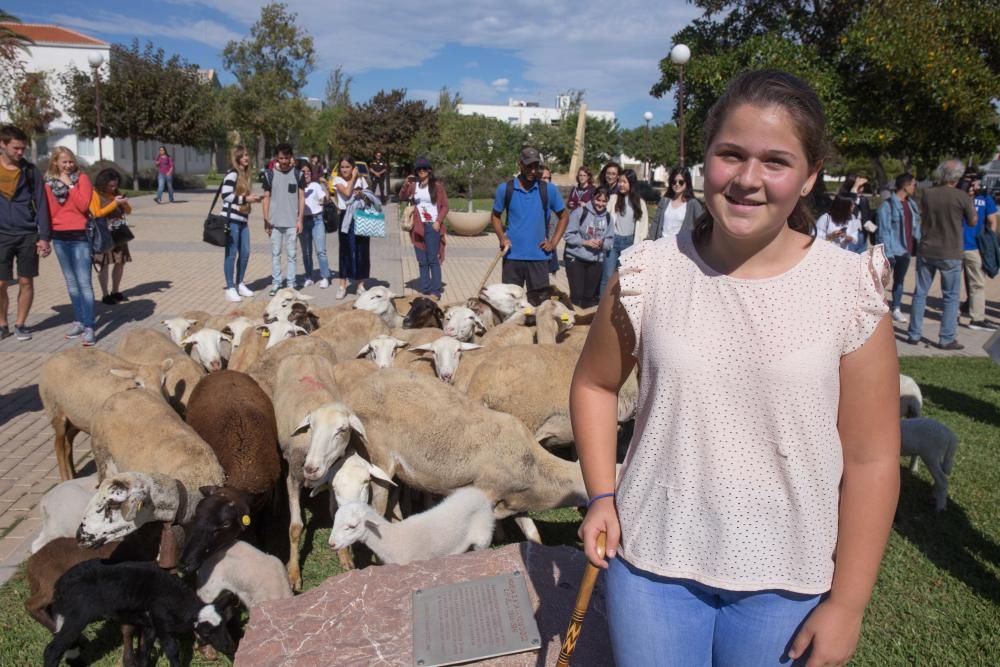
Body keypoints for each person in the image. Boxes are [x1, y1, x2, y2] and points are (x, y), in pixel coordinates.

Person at [572, 69, 899, 666]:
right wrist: (601, 492)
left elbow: (873, 458)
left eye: (776, 161)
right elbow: (594, 384)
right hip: (652, 565)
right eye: (731, 155)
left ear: (809, 178)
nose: (748, 179)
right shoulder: (648, 274)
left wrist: (848, 603)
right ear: (705, 163)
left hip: (787, 579)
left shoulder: (849, 287)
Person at [906, 158, 979, 349]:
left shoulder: (927, 194)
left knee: (920, 293)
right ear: (957, 177)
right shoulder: (961, 197)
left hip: (928, 248)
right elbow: (972, 221)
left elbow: (922, 214)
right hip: (951, 250)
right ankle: (946, 337)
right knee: (951, 296)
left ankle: (914, 333)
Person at [490, 147, 567, 304]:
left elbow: (564, 216)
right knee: (510, 306)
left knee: (540, 307)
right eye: (529, 166)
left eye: (536, 166)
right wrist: (502, 238)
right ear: (520, 164)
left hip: (538, 258)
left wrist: (553, 243)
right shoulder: (506, 189)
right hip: (512, 257)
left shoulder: (548, 190)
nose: (533, 170)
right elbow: (495, 217)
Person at [0, 124, 50, 342]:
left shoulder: (30, 171)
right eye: (16, 148)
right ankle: (2, 324)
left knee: (25, 281)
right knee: (0, 283)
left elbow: (41, 204)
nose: (20, 153)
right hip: (1, 235)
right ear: (2, 145)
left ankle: (20, 324)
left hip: (27, 234)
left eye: (23, 149)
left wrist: (44, 237)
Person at [45, 147, 97, 345]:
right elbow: (48, 211)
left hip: (80, 236)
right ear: (55, 162)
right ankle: (79, 321)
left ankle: (90, 325)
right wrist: (44, 238)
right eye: (64, 162)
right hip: (59, 237)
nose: (68, 165)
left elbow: (83, 205)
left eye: (70, 162)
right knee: (71, 283)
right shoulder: (48, 182)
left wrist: (70, 185)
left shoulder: (81, 179)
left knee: (84, 283)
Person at [399, 157, 449, 299]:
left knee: (433, 259)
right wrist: (406, 184)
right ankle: (425, 289)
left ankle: (436, 291)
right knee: (422, 260)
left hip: (432, 226)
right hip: (417, 227)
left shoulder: (437, 186)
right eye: (419, 169)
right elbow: (402, 196)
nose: (421, 171)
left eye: (424, 169)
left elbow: (445, 206)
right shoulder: (414, 186)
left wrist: (438, 221)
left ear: (429, 170)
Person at [876, 173, 921, 323]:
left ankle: (896, 308)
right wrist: (887, 254)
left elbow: (915, 228)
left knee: (900, 281)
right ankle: (875, 308)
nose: (915, 187)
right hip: (891, 252)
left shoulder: (911, 204)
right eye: (914, 184)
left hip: (906, 251)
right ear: (905, 186)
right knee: (881, 282)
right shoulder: (887, 206)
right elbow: (883, 231)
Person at [262, 143, 305, 296]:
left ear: (290, 157)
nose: (284, 161)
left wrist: (300, 219)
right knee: (275, 254)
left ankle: (291, 284)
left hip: (292, 222)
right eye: (281, 158)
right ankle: (276, 283)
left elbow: (301, 197)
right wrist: (266, 220)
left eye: (286, 158)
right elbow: (266, 198)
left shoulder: (298, 174)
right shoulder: (269, 174)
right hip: (274, 223)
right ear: (276, 158)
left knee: (292, 254)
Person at [221, 145, 263, 302]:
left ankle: (240, 283)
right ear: (237, 157)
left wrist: (253, 199)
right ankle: (230, 287)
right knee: (231, 254)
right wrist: (246, 199)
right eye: (243, 155)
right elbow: (225, 196)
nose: (246, 157)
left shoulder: (245, 175)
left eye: (247, 155)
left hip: (243, 220)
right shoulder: (232, 173)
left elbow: (242, 196)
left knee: (245, 253)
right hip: (232, 220)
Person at [563, 186, 613, 308]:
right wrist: (585, 242)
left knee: (589, 297)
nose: (600, 204)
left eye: (604, 201)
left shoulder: (608, 217)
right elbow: (567, 235)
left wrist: (602, 244)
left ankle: (585, 325)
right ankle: (571, 320)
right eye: (598, 200)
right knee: (577, 295)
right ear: (592, 198)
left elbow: (610, 240)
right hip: (576, 258)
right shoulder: (580, 212)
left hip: (595, 260)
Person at [600, 168, 649, 295]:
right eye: (620, 181)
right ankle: (601, 309)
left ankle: (619, 309)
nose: (621, 184)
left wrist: (640, 247)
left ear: (631, 184)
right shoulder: (613, 199)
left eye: (624, 182)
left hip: (630, 244)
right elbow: (603, 217)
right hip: (614, 241)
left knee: (625, 280)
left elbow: (643, 228)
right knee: (608, 277)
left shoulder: (640, 202)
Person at [90, 168, 132, 305]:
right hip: (103, 234)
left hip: (118, 232)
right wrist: (114, 203)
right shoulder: (95, 194)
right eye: (111, 185)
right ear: (103, 183)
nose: (114, 188)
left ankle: (115, 290)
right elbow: (96, 213)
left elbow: (129, 211)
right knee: (104, 264)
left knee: (120, 262)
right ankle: (105, 294)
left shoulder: (116, 194)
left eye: (116, 185)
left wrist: (124, 203)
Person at [330, 156, 370, 299]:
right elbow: (346, 193)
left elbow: (368, 197)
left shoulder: (362, 180)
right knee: (345, 250)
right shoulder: (337, 180)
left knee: (362, 250)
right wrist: (354, 178)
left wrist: (362, 195)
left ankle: (360, 284)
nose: (345, 169)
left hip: (360, 215)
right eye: (343, 167)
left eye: (348, 167)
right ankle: (342, 285)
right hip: (345, 216)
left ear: (353, 167)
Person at [962, 174, 998, 330]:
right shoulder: (980, 199)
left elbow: (992, 221)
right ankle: (976, 318)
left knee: (966, 283)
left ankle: (968, 311)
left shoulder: (980, 199)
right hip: (969, 247)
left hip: (964, 246)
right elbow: (992, 221)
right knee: (977, 283)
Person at [299, 162, 332, 289]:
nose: (306, 173)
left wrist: (325, 197)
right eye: (303, 171)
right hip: (303, 221)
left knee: (321, 251)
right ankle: (309, 276)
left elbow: (324, 198)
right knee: (306, 252)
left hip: (317, 220)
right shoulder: (297, 187)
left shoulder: (315, 185)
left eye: (308, 171)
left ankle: (325, 277)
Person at [650, 165, 704, 239]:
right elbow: (655, 222)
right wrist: (650, 241)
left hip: (680, 248)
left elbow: (702, 227)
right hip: (660, 244)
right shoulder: (665, 200)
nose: (677, 184)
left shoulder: (693, 204)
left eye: (681, 182)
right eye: (674, 182)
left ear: (687, 183)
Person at [540, 166, 560, 274]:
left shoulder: (552, 192)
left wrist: (552, 243)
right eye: (543, 178)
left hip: (547, 242)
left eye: (548, 178)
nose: (546, 181)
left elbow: (559, 219)